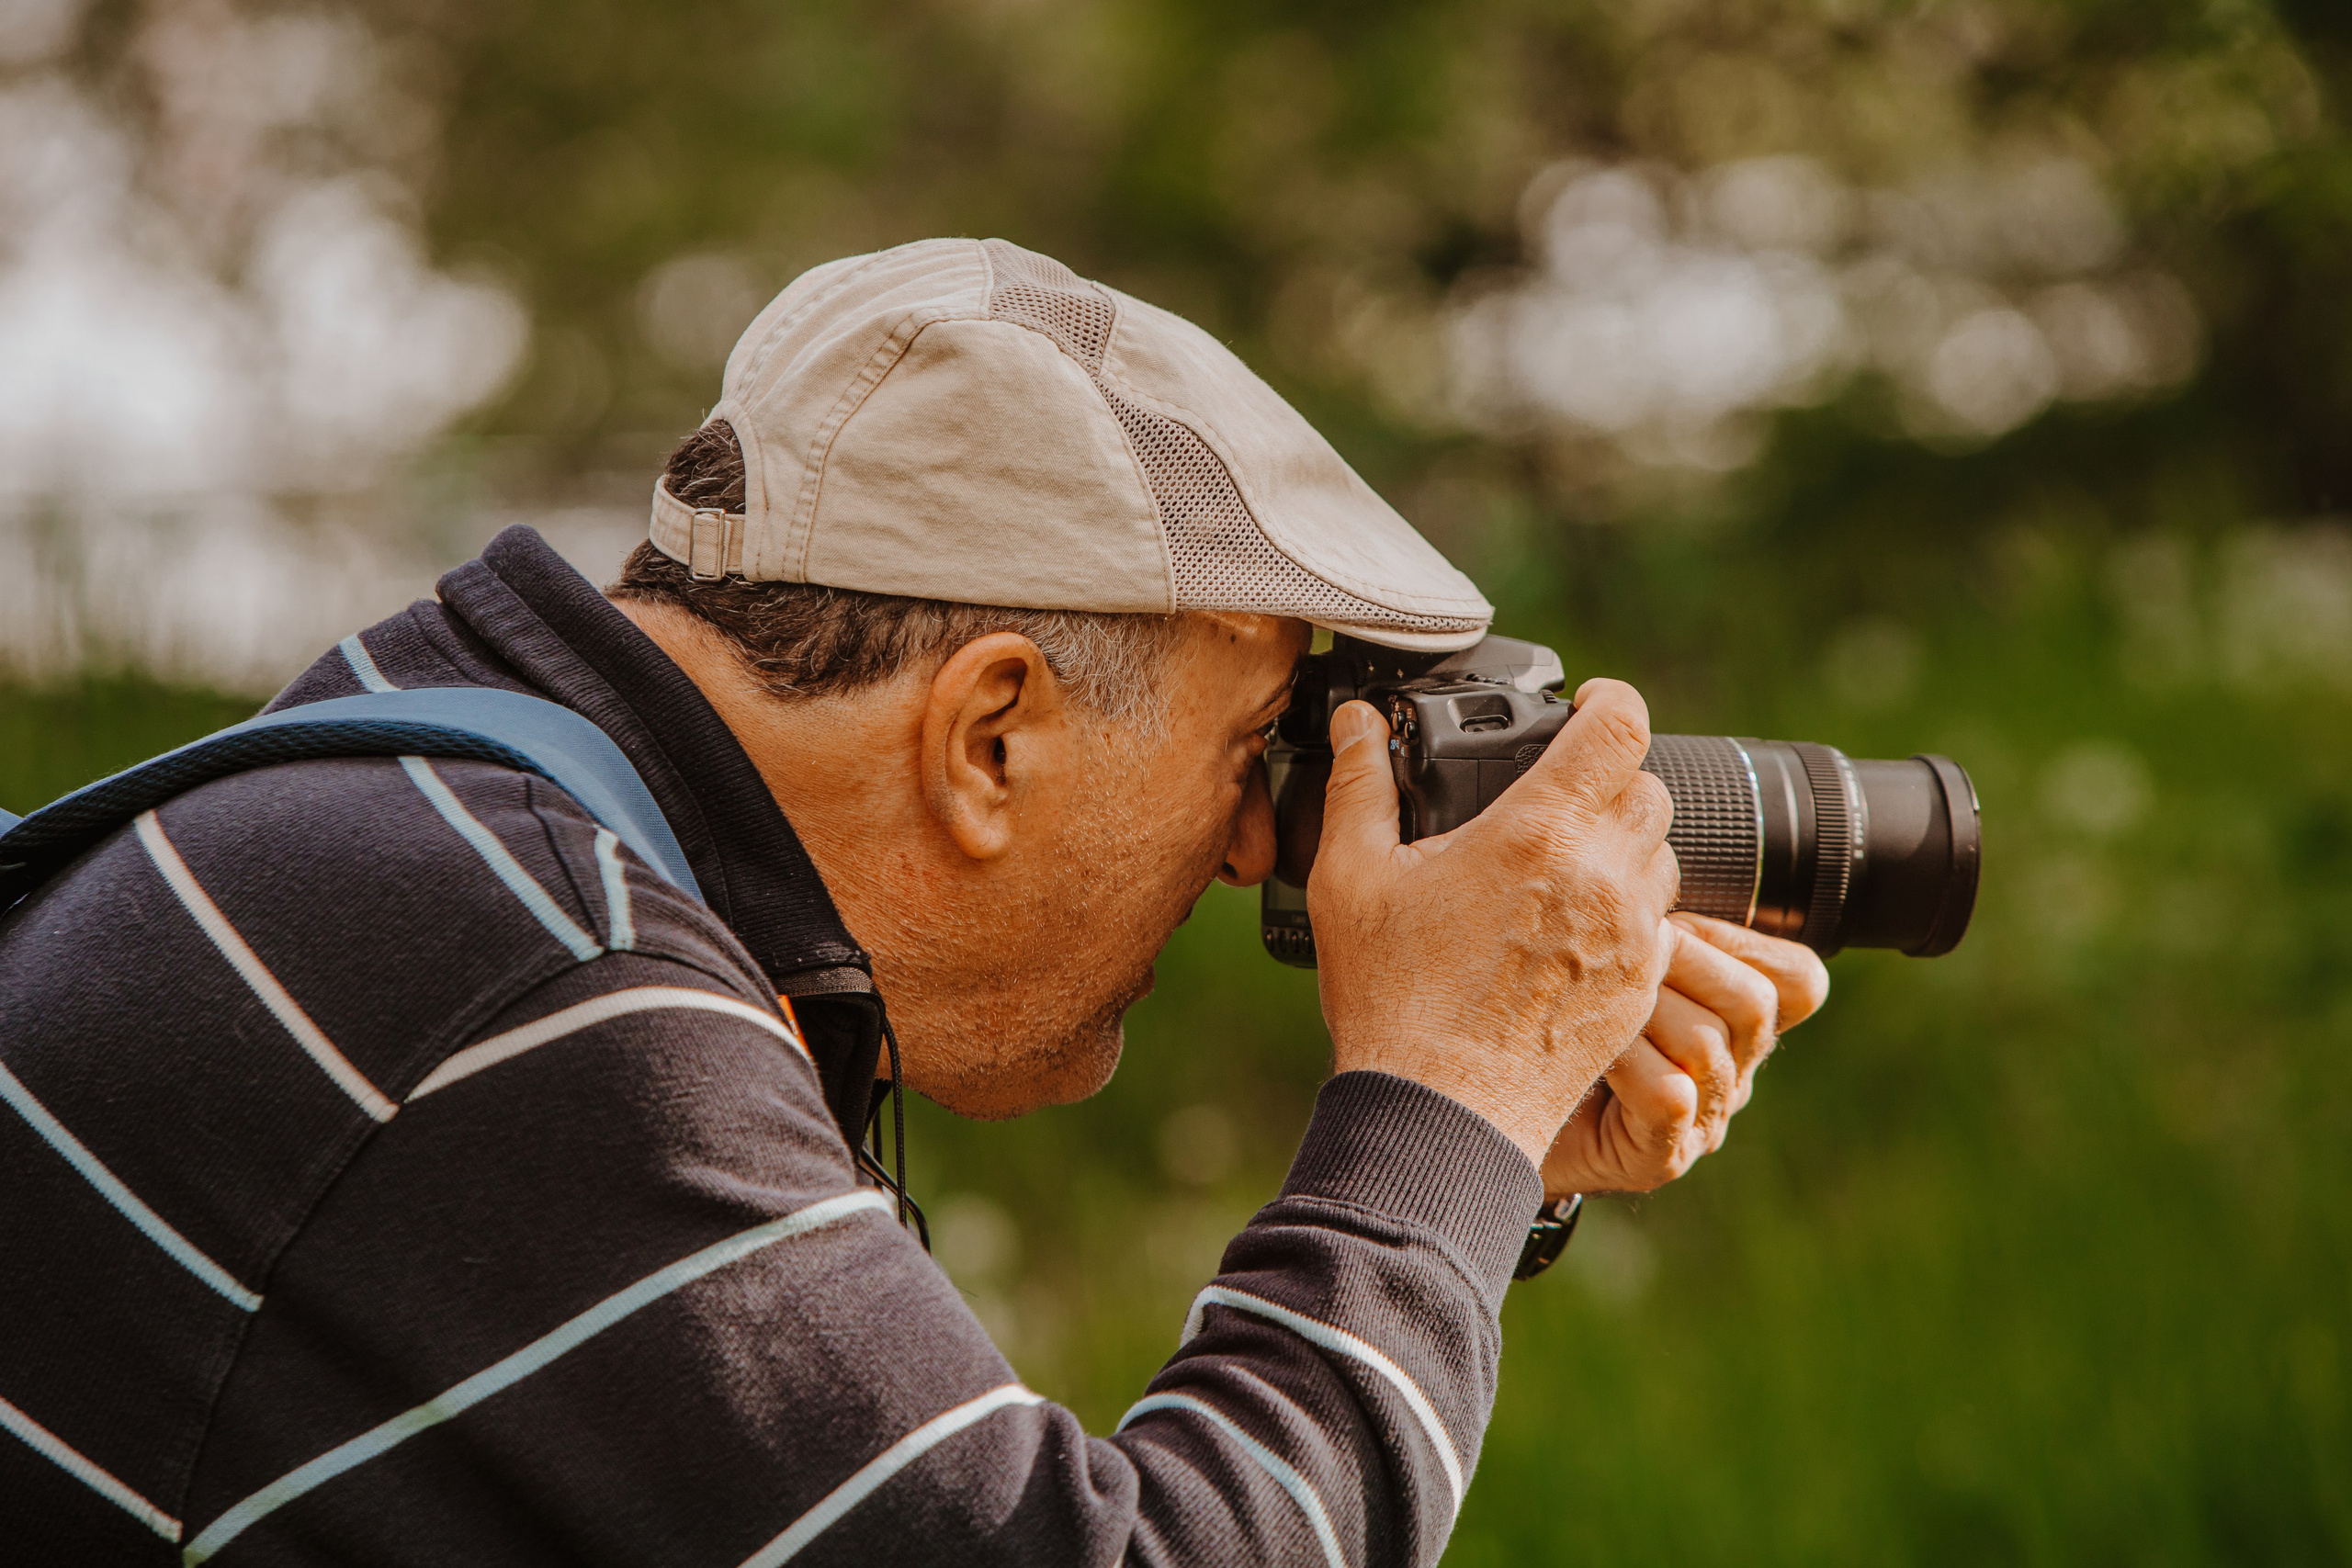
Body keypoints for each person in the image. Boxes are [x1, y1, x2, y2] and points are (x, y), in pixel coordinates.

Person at [0, 238, 1826, 1566]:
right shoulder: (536, 972)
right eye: (1256, 743)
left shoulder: (419, 818)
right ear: (991, 733)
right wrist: (1442, 1104)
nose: (1257, 846)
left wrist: (1485, 1163)